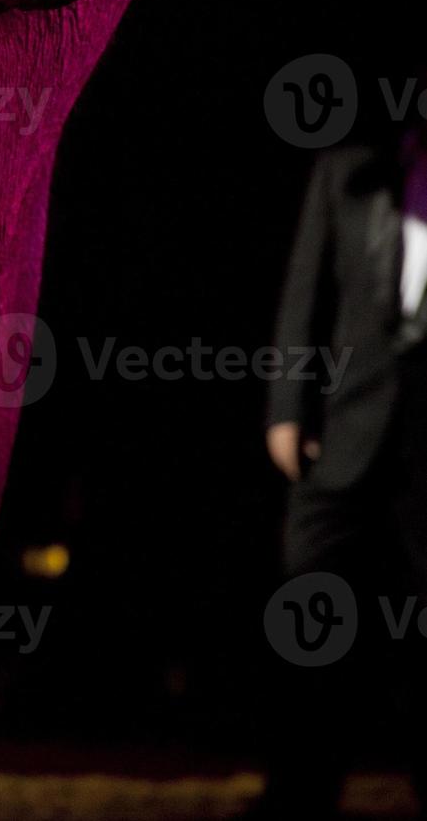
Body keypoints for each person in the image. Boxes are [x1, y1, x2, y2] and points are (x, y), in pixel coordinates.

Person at [258, 127, 427, 818]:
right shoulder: (351, 168)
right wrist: (285, 410)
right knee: (310, 608)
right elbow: (304, 291)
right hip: (346, 427)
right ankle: (297, 793)